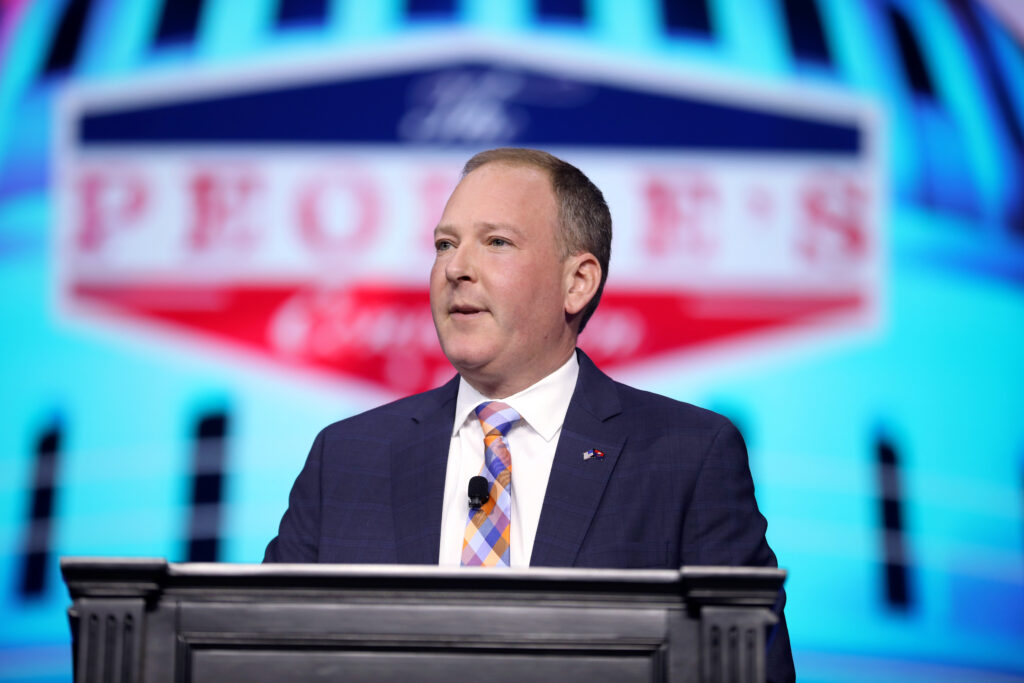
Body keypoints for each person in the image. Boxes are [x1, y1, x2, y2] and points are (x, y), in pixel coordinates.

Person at [264, 148, 795, 681]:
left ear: (577, 283)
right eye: (445, 244)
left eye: (496, 242)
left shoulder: (687, 457)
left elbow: (749, 668)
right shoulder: (349, 457)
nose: (456, 268)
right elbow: (255, 649)